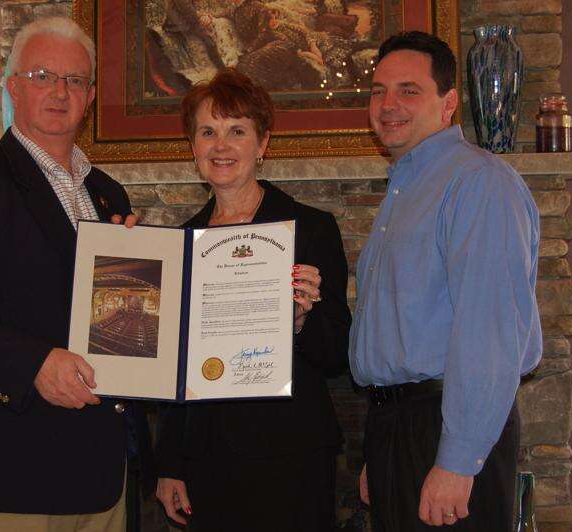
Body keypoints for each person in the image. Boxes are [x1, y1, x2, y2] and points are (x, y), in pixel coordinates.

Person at [0, 16, 151, 531]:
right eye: (42, 76)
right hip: (5, 475)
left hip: (101, 474)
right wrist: (34, 364)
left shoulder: (109, 193)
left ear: (90, 96)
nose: (60, 92)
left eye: (75, 80)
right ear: (13, 85)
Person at [350, 31, 542, 531]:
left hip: (446, 425)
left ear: (449, 102)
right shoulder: (406, 189)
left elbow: (490, 334)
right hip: (398, 427)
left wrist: (457, 462)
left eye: (409, 90)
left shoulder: (477, 182)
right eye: (378, 91)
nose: (388, 105)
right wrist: (381, 452)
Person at [155, 68, 351, 532]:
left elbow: (337, 354)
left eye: (237, 131)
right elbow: (173, 369)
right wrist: (169, 463)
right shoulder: (180, 244)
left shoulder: (311, 229)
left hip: (291, 456)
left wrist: (300, 322)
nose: (221, 146)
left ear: (262, 143)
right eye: (208, 132)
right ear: (193, 147)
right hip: (206, 460)